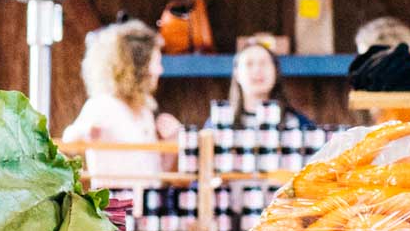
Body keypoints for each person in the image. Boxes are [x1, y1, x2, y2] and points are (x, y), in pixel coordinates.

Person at [64, 19, 183, 187]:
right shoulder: (103, 105)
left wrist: (172, 141)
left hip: (143, 209)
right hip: (115, 209)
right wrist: (87, 132)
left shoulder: (144, 112)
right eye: (155, 62)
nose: (160, 70)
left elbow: (152, 176)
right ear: (137, 66)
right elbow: (69, 141)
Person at [209, 35, 310, 133]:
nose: (257, 70)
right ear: (236, 74)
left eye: (263, 63)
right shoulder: (217, 124)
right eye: (249, 64)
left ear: (276, 71)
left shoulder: (297, 123)